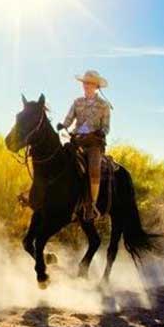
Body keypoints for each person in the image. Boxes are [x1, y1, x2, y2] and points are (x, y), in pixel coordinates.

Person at [57, 70, 111, 220]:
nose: (86, 85)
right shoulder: (77, 102)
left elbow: (106, 127)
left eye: (90, 83)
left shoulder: (103, 105)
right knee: (59, 159)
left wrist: (101, 132)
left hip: (94, 142)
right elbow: (68, 119)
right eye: (85, 83)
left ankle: (91, 205)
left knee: (94, 169)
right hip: (77, 139)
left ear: (96, 86)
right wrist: (63, 125)